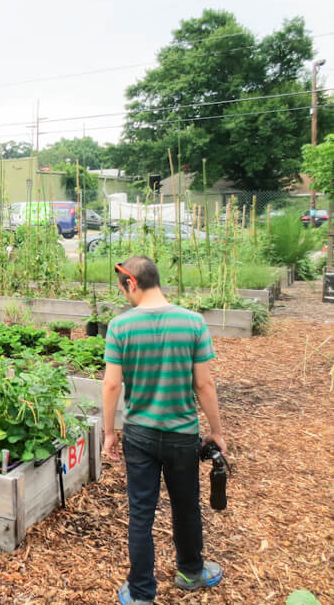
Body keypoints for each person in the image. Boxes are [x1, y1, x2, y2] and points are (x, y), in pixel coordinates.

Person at [102, 255, 227, 605]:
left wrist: (110, 433)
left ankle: (142, 593)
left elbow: (112, 386)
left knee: (141, 513)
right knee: (186, 506)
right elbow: (204, 385)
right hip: (182, 435)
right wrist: (216, 431)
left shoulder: (120, 327)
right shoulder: (193, 323)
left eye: (122, 288)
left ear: (132, 283)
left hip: (139, 435)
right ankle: (190, 571)